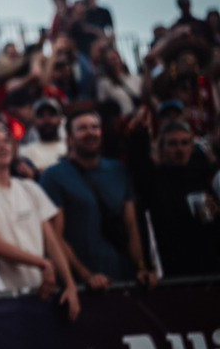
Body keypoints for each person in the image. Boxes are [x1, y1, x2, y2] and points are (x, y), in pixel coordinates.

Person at [0, 121, 80, 320]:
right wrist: (43, 264)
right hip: (0, 301)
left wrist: (70, 285)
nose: (2, 146)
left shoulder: (30, 188)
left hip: (41, 294)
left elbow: (52, 242)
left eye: (6, 141)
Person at [39, 110, 156, 290]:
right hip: (82, 286)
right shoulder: (53, 176)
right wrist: (86, 275)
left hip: (123, 278)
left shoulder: (118, 170)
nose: (91, 132)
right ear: (69, 139)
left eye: (95, 127)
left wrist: (141, 267)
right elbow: (55, 237)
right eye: (82, 128)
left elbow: (131, 225)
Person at [126, 111, 220, 277]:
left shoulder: (200, 180)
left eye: (185, 143)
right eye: (173, 144)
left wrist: (216, 213)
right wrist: (139, 135)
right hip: (171, 272)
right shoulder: (154, 180)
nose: (180, 149)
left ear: (192, 147)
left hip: (207, 269)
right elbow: (139, 166)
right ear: (161, 148)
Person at [18, 98, 68, 174]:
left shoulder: (69, 150)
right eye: (41, 115)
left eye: (51, 115)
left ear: (60, 120)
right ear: (33, 121)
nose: (47, 119)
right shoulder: (24, 152)